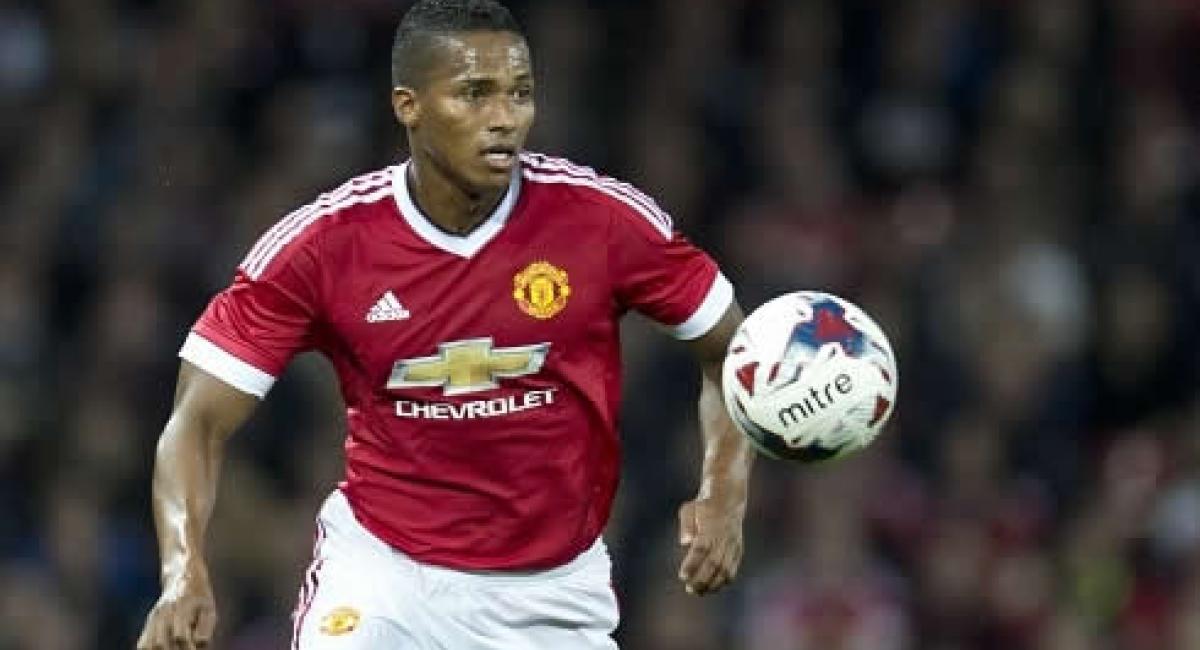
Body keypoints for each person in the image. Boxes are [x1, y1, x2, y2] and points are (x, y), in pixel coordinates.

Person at [136, 1, 754, 648]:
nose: (504, 118)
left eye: (520, 94)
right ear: (409, 105)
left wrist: (724, 492)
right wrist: (183, 572)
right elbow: (195, 422)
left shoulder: (602, 222)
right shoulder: (326, 244)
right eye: (475, 94)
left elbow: (732, 351)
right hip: (384, 575)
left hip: (554, 594)